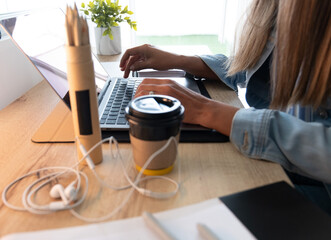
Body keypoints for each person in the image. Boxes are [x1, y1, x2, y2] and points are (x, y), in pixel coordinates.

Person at [120, 0, 331, 214]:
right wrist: (180, 60)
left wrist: (208, 111)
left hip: (322, 188)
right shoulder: (281, 9)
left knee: (192, 198)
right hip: (290, 163)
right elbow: (252, 67)